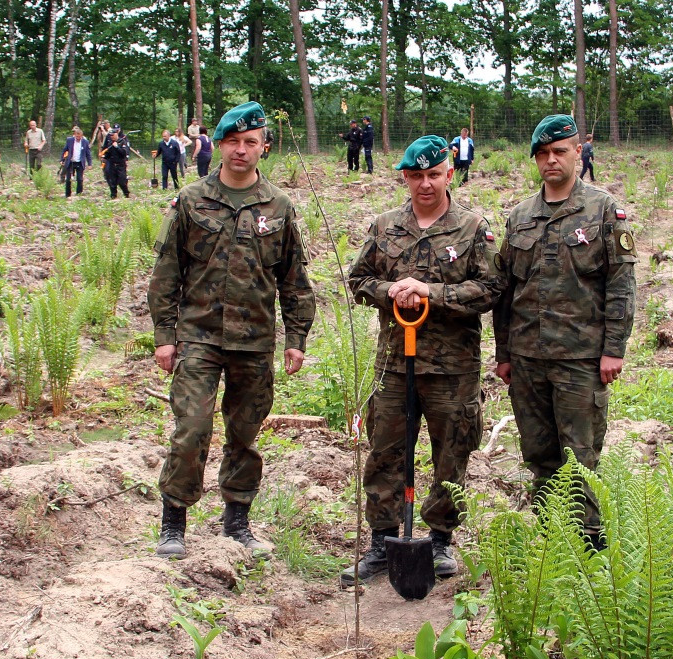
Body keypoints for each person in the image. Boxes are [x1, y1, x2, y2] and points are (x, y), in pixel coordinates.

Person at [147, 101, 315, 559]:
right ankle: (173, 523)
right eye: (233, 142)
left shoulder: (278, 206)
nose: (241, 151)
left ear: (264, 147)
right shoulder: (191, 200)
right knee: (192, 429)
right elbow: (166, 273)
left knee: (244, 433)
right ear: (219, 145)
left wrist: (296, 339)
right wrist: (164, 337)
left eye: (250, 143)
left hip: (254, 341)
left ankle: (237, 521)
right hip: (198, 336)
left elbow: (294, 278)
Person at [341, 135, 504, 586]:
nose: (425, 184)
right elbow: (358, 279)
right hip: (395, 363)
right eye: (416, 176)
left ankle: (439, 540)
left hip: (453, 367)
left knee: (452, 452)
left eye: (434, 175)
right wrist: (388, 290)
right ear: (405, 178)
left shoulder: (473, 228)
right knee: (386, 451)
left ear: (450, 174)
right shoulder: (385, 226)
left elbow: (491, 289)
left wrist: (433, 292)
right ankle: (381, 541)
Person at [493, 114, 637, 551]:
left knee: (580, 454)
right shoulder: (520, 216)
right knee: (539, 454)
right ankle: (552, 538)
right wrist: (504, 353)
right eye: (542, 154)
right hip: (528, 357)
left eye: (559, 151)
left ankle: (589, 542)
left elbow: (620, 284)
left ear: (579, 151)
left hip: (581, 358)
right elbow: (504, 292)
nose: (551, 160)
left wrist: (613, 349)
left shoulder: (603, 210)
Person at [61, 126, 92, 198]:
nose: (78, 138)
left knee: (80, 179)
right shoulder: (70, 140)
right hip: (71, 161)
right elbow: (64, 150)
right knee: (68, 179)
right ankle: (67, 194)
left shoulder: (85, 142)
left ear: (82, 136)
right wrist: (62, 159)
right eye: (76, 136)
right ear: (74, 135)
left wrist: (89, 163)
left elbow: (88, 154)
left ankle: (79, 193)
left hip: (80, 162)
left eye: (79, 136)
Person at [100, 131, 130, 199]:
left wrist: (117, 147)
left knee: (122, 181)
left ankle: (126, 194)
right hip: (112, 165)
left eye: (113, 135)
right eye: (110, 135)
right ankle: (113, 195)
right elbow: (108, 154)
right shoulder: (110, 143)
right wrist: (104, 156)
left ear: (116, 134)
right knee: (112, 181)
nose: (111, 137)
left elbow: (124, 153)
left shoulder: (122, 142)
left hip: (120, 165)